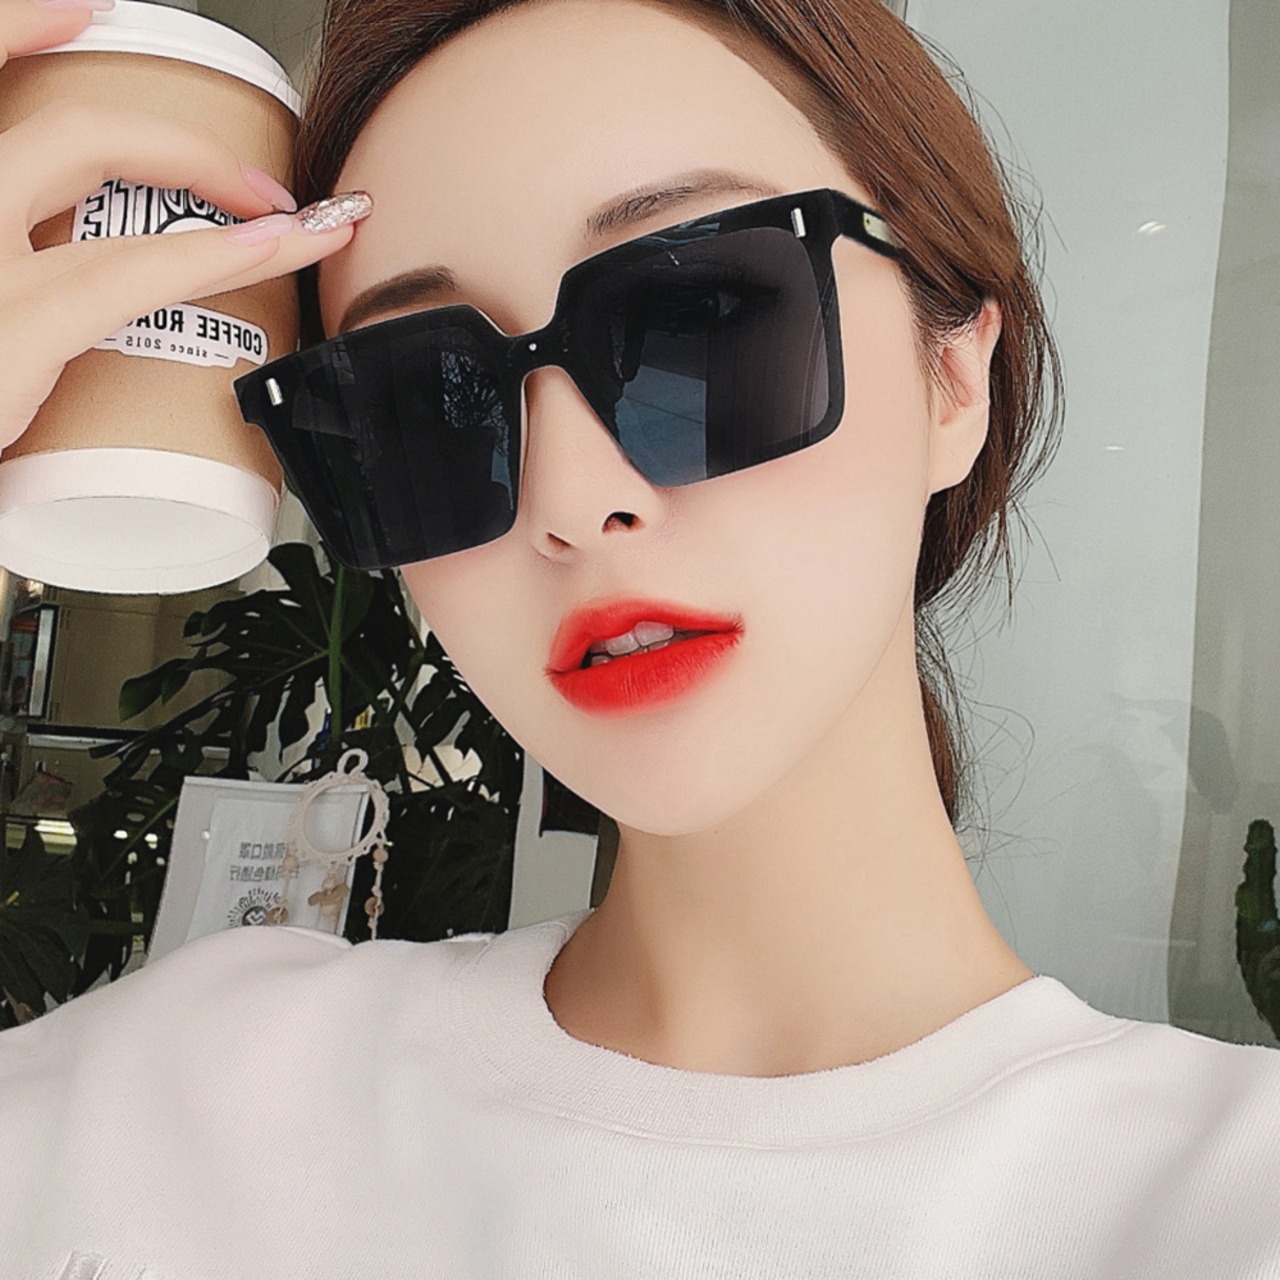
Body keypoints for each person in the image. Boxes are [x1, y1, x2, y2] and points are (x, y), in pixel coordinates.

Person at [1, 0, 1278, 1276]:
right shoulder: (166, 1110)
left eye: (696, 320)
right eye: (428, 401)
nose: (569, 497)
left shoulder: (1219, 1200)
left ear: (954, 378)